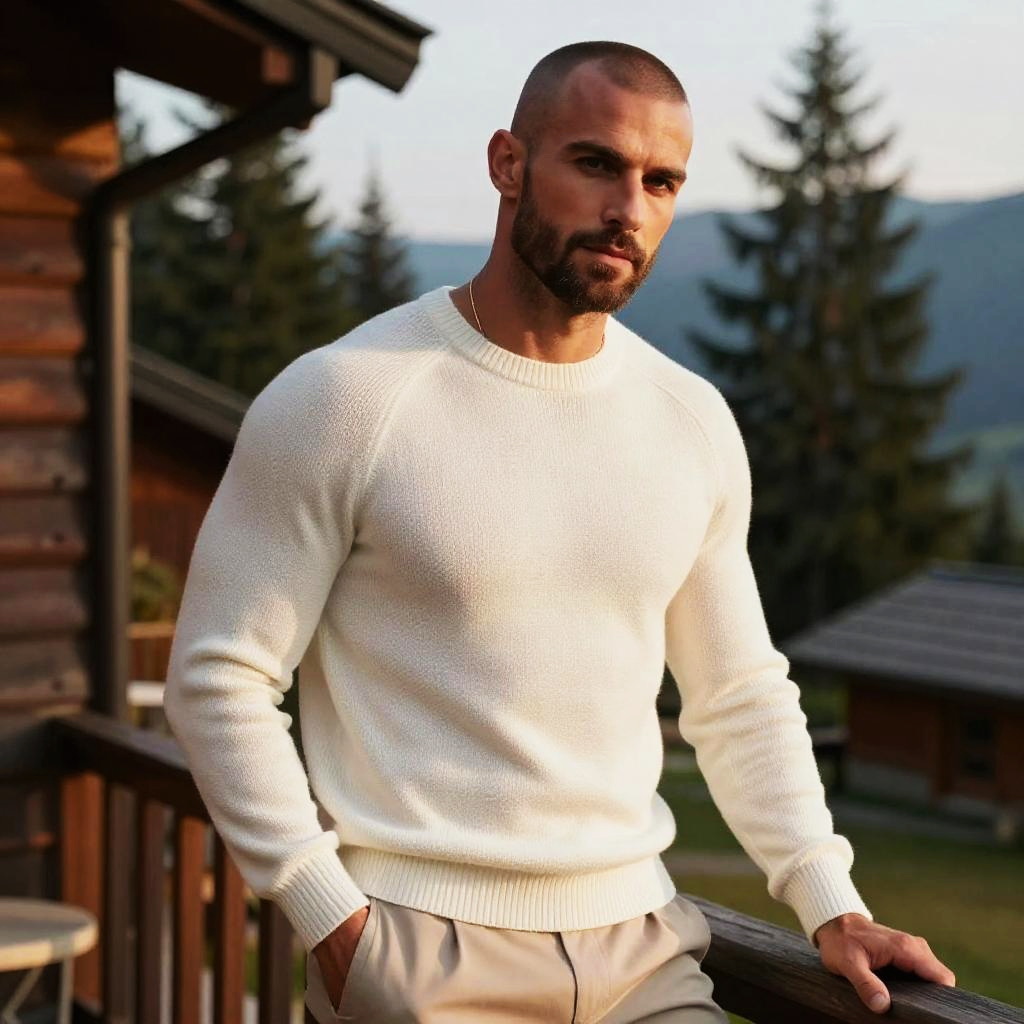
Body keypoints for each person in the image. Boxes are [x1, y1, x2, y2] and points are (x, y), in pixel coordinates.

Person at [163, 40, 957, 1023]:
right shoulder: (346, 398)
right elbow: (220, 675)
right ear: (508, 163)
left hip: (646, 954)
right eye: (596, 164)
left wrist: (831, 902)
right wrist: (331, 918)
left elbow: (739, 694)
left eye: (660, 181)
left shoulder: (690, 419)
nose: (629, 209)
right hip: (422, 955)